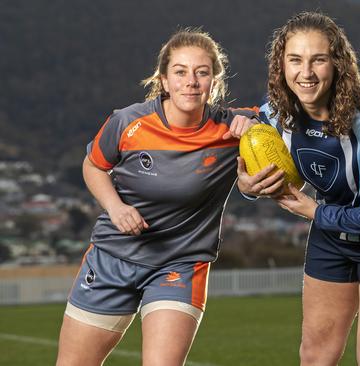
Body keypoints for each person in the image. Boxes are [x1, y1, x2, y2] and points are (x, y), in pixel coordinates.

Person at [56, 28, 261, 366]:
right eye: (180, 71)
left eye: (202, 72)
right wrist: (115, 207)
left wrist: (256, 135)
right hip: (112, 259)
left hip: (179, 265)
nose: (191, 81)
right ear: (164, 80)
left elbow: (283, 124)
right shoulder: (128, 122)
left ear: (214, 81)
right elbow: (93, 167)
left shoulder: (235, 128)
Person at [236, 11, 360, 366]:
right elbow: (255, 158)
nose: (305, 73)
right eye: (295, 60)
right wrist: (248, 186)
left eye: (318, 60)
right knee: (315, 355)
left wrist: (315, 211)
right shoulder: (277, 114)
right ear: (281, 65)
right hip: (331, 237)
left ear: (338, 63)